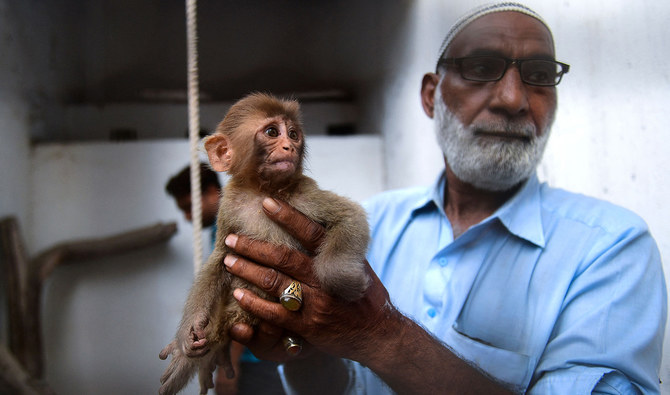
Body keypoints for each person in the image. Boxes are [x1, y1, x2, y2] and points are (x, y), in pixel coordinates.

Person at [218, 3, 667, 394]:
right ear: (432, 95)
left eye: (539, 75)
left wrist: (381, 336)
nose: (513, 99)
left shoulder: (613, 247)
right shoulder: (373, 221)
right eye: (481, 67)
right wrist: (309, 352)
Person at [165, 163, 285, 395]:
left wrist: (229, 369)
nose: (188, 216)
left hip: (258, 359)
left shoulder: (238, 227)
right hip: (250, 356)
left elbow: (243, 299)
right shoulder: (219, 231)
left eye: (189, 207)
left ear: (211, 192)